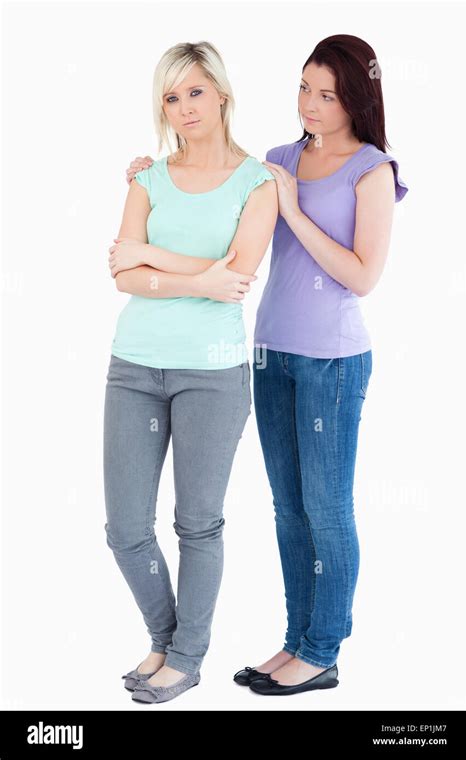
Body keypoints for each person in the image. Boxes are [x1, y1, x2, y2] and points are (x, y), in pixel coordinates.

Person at [127, 33, 409, 698]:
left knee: (327, 510)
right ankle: (295, 642)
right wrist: (152, 174)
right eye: (304, 89)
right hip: (269, 354)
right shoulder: (277, 161)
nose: (310, 104)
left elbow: (364, 275)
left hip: (332, 363)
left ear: (356, 99)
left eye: (327, 95)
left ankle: (323, 650)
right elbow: (224, 228)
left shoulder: (372, 169)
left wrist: (294, 209)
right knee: (288, 510)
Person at [104, 40, 277, 704]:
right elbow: (123, 277)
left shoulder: (256, 182)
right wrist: (194, 274)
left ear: (223, 93)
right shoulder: (146, 178)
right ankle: (166, 640)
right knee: (125, 528)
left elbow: (236, 279)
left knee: (197, 522)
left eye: (194, 92)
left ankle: (185, 657)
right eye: (171, 98)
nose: (183, 108)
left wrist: (152, 254)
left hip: (212, 372)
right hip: (134, 367)